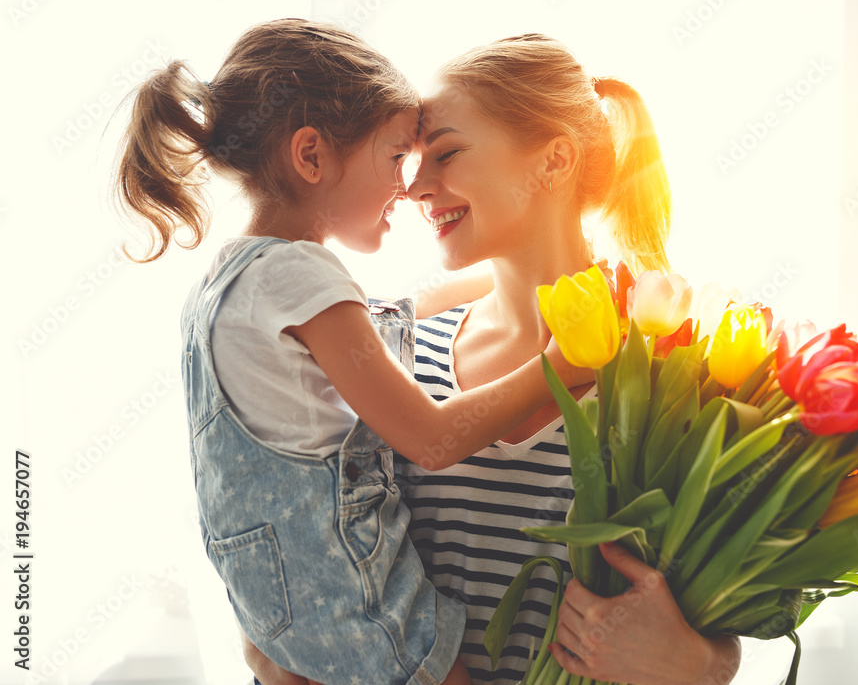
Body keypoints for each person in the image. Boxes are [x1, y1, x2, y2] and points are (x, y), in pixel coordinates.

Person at [244, 34, 741, 685]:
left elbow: (715, 608)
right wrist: (273, 649)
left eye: (446, 153)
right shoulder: (396, 349)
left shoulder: (672, 370)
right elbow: (312, 543)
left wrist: (696, 664)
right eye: (416, 160)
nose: (415, 186)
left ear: (555, 160)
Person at [113, 19, 590, 685]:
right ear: (310, 157)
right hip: (357, 607)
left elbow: (384, 320)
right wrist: (560, 369)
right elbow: (429, 435)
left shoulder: (232, 282)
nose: (410, 183)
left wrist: (515, 274)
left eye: (437, 156)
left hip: (285, 611)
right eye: (398, 157)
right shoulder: (306, 279)